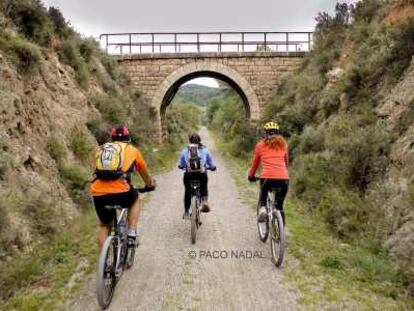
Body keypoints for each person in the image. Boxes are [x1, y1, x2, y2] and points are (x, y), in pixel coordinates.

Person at [90, 125, 155, 248]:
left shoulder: (101, 149)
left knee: (104, 225)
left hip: (98, 193)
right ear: (128, 138)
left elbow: (94, 170)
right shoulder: (132, 150)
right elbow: (144, 173)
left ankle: (104, 262)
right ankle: (131, 233)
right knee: (135, 199)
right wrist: (149, 185)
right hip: (122, 192)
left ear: (112, 138)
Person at [248, 121, 289, 224]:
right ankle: (281, 231)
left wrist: (251, 175)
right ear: (278, 133)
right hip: (284, 179)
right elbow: (286, 163)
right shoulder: (284, 145)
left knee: (264, 192)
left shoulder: (260, 145)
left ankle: (262, 208)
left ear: (265, 134)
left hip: (267, 178)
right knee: (279, 206)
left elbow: (255, 164)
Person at [178, 133, 216, 219]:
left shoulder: (185, 150)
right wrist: (212, 167)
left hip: (189, 175)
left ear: (190, 141)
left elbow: (181, 164)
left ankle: (186, 212)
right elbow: (210, 163)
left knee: (187, 191)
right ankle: (204, 200)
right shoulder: (205, 150)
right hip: (201, 174)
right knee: (204, 185)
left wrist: (181, 166)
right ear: (200, 141)